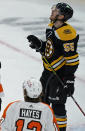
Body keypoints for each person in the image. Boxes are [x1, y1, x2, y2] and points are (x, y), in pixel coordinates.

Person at [27, 3, 79, 131]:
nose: (52, 11)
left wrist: (69, 80)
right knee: (41, 102)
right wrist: (40, 45)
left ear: (61, 16)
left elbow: (72, 60)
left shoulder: (67, 33)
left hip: (59, 76)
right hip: (48, 72)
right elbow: (52, 49)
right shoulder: (51, 27)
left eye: (55, 11)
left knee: (57, 106)